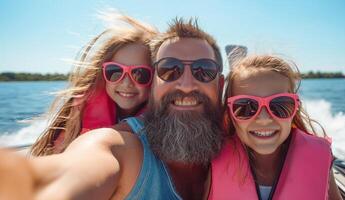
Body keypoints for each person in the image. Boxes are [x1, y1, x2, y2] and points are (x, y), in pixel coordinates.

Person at [0, 18, 224, 200]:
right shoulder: (119, 146)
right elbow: (78, 168)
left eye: (204, 70)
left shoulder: (246, 132)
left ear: (221, 85)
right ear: (155, 83)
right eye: (168, 70)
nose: (186, 84)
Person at [209, 55, 342, 200]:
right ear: (230, 113)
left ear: (294, 109)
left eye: (279, 105)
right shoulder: (210, 161)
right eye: (246, 107)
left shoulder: (319, 159)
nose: (265, 119)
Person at [30, 14, 157, 156]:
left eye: (140, 74)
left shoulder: (161, 120)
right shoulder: (78, 112)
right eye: (114, 71)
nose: (127, 83)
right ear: (102, 73)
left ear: (156, 77)